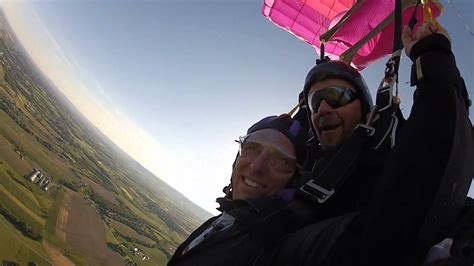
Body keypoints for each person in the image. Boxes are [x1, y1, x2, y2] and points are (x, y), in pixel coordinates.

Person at [257, 21, 473, 265]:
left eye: (336, 96)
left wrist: (433, 55)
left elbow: (438, 142)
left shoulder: (389, 152)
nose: (324, 109)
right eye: (316, 102)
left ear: (365, 110)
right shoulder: (300, 165)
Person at [167, 114, 308, 266]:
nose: (257, 166)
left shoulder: (269, 251)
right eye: (252, 148)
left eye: (281, 160)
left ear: (295, 179)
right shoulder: (227, 221)